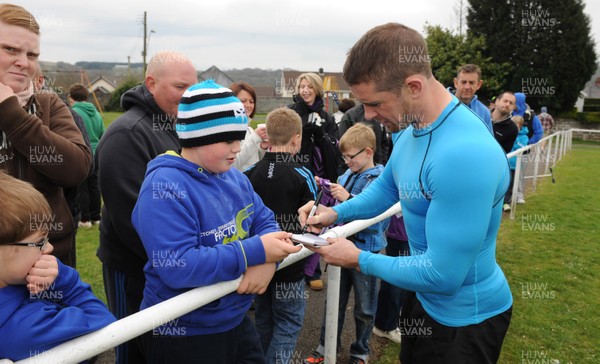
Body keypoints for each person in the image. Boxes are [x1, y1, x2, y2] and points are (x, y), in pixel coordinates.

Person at [300, 23, 513, 364]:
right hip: (422, 299)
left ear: (413, 86)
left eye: (374, 103)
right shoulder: (411, 127)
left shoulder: (464, 155)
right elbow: (387, 187)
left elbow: (443, 275)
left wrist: (358, 258)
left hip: (464, 321)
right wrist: (337, 213)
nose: (368, 115)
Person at [132, 80, 301, 363]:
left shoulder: (234, 177)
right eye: (229, 139)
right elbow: (179, 265)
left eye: (240, 136)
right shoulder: (164, 187)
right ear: (198, 137)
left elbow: (265, 221)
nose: (239, 147)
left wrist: (268, 263)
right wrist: (256, 253)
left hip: (233, 319)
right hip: (185, 331)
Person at [95, 51, 198, 364]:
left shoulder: (179, 126)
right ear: (151, 83)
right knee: (135, 348)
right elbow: (131, 219)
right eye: (180, 87)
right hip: (133, 267)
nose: (189, 95)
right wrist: (182, 260)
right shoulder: (127, 134)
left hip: (175, 263)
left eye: (192, 87)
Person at [0, 4, 92, 268]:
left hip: (52, 258)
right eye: (10, 49)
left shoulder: (48, 105)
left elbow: (76, 169)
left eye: (32, 54)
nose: (23, 62)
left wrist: (12, 114)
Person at [0, 171, 115, 361]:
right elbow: (104, 326)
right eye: (40, 242)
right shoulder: (31, 327)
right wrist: (64, 281)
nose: (50, 247)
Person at [305, 123, 389, 364]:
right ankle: (325, 347)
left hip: (365, 252)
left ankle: (360, 352)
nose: (346, 160)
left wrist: (349, 199)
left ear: (368, 152)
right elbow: (336, 212)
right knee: (334, 302)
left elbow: (375, 220)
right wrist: (322, 207)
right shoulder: (345, 175)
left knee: (364, 308)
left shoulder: (380, 179)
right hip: (339, 249)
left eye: (350, 156)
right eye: (344, 156)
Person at [244, 107, 317, 364]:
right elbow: (312, 219)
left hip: (258, 260)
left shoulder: (249, 174)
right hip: (289, 263)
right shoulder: (303, 174)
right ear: (296, 138)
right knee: (288, 323)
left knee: (264, 320)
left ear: (268, 137)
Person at [288, 72, 340, 291]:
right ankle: (291, 268)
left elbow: (335, 152)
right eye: (302, 86)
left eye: (309, 86)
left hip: (321, 177)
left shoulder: (327, 117)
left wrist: (320, 136)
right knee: (294, 220)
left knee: (315, 223)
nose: (305, 90)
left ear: (317, 89)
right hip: (296, 174)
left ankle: (313, 271)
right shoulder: (291, 113)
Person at [68, 83, 104, 228]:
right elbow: (102, 133)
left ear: (71, 97)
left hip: (82, 153)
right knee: (94, 186)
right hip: (96, 152)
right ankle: (97, 217)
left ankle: (85, 219)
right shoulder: (96, 113)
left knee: (82, 186)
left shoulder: (71, 113)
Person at [231, 81, 270, 171]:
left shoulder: (250, 130)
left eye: (251, 102)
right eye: (243, 101)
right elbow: (233, 164)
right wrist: (255, 137)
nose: (248, 105)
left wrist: (263, 147)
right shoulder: (229, 130)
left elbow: (256, 161)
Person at [450, 64, 493, 133]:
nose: (467, 87)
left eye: (472, 83)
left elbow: (488, 142)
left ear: (479, 84)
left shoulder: (484, 112)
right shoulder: (441, 104)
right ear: (456, 83)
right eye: (463, 82)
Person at [503, 115, 529, 212]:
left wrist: (514, 142)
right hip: (506, 164)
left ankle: (510, 201)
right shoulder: (508, 133)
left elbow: (521, 148)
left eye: (516, 125)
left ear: (520, 126)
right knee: (505, 184)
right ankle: (504, 202)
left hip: (516, 165)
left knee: (513, 183)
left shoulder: (524, 137)